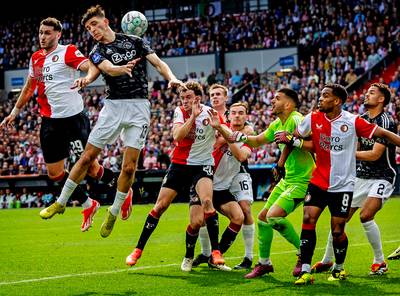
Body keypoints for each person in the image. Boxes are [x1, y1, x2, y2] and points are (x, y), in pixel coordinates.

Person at [39, 5, 182, 238]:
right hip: (113, 107)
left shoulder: (135, 41)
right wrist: (91, 78)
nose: (92, 30)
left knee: (129, 167)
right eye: (87, 28)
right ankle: (61, 201)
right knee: (86, 157)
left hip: (139, 107)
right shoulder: (96, 50)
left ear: (105, 22)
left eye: (94, 24)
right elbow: (105, 69)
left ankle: (114, 211)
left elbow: (158, 62)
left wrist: (173, 78)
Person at [274, 83, 400, 285]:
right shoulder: (312, 118)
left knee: (338, 229)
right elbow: (294, 139)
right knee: (308, 218)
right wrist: (280, 163)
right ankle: (305, 269)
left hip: (345, 184)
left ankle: (339, 267)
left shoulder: (352, 121)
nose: (320, 99)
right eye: (320, 95)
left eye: (325, 96)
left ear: (337, 101)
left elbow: (383, 136)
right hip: (319, 180)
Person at [0, 17, 117, 231]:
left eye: (47, 33)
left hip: (73, 120)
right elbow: (29, 87)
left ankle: (122, 187)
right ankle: (88, 204)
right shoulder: (35, 58)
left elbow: (88, 65)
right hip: (49, 122)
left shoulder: (68, 51)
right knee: (54, 173)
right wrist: (15, 112)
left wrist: (87, 78)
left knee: (91, 168)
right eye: (40, 32)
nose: (42, 36)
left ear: (58, 34)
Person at [125, 81, 228, 271]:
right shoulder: (180, 112)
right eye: (182, 97)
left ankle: (216, 252)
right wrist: (193, 118)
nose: (185, 100)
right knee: (160, 206)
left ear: (198, 97)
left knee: (207, 202)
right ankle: (138, 249)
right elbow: (177, 136)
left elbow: (227, 133)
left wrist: (221, 128)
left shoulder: (210, 112)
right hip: (179, 165)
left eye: (188, 97)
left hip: (202, 165)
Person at [228, 88, 315, 278]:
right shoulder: (278, 123)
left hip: (304, 180)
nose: (272, 101)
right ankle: (264, 263)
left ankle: (304, 253)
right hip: (288, 180)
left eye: (277, 98)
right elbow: (258, 140)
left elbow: (314, 145)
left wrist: (292, 140)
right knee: (262, 219)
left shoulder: (297, 119)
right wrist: (240, 136)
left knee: (273, 217)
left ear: (288, 104)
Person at [312, 83, 396, 275]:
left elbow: (375, 154)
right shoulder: (361, 119)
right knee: (338, 220)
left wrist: (343, 154)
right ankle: (327, 260)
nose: (366, 95)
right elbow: (355, 147)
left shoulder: (386, 121)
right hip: (360, 176)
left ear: (382, 99)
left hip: (383, 176)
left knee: (366, 215)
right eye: (366, 92)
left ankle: (379, 261)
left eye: (372, 93)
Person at [192, 84, 256, 270]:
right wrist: (223, 134)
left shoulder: (244, 128)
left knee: (244, 211)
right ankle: (207, 254)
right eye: (212, 94)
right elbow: (212, 143)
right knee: (199, 219)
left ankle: (247, 257)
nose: (215, 97)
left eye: (218, 94)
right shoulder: (214, 121)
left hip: (237, 174)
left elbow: (242, 153)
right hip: (210, 177)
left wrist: (225, 135)